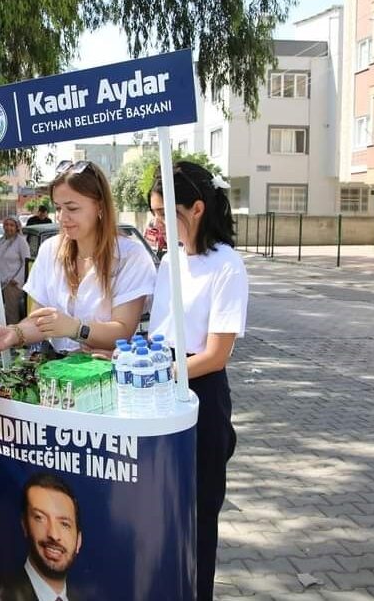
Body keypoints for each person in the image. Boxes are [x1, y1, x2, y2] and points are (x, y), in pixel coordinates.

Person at [146, 161, 248, 601]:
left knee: (199, 516)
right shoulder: (169, 260)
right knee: (160, 511)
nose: (156, 222)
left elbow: (216, 354)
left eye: (165, 212)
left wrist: (164, 373)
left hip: (200, 392)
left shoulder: (227, 266)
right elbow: (159, 328)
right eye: (153, 212)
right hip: (159, 388)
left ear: (197, 209)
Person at [0, 161, 155, 354]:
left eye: (72, 208)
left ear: (99, 206)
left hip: (106, 374)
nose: (62, 217)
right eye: (58, 208)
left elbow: (123, 331)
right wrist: (13, 334)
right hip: (56, 369)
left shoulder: (131, 256)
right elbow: (39, 320)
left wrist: (75, 328)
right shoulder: (49, 249)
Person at [0, 472, 83, 601]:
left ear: (78, 541)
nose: (53, 534)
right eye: (40, 518)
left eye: (64, 524)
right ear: (25, 525)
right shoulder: (1, 594)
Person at [0, 216, 31, 325]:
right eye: (6, 225)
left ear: (17, 227)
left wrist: (17, 279)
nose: (8, 228)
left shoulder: (21, 242)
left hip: (12, 284)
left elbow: (26, 262)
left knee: (11, 314)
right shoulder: (0, 241)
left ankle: (13, 339)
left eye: (11, 225)